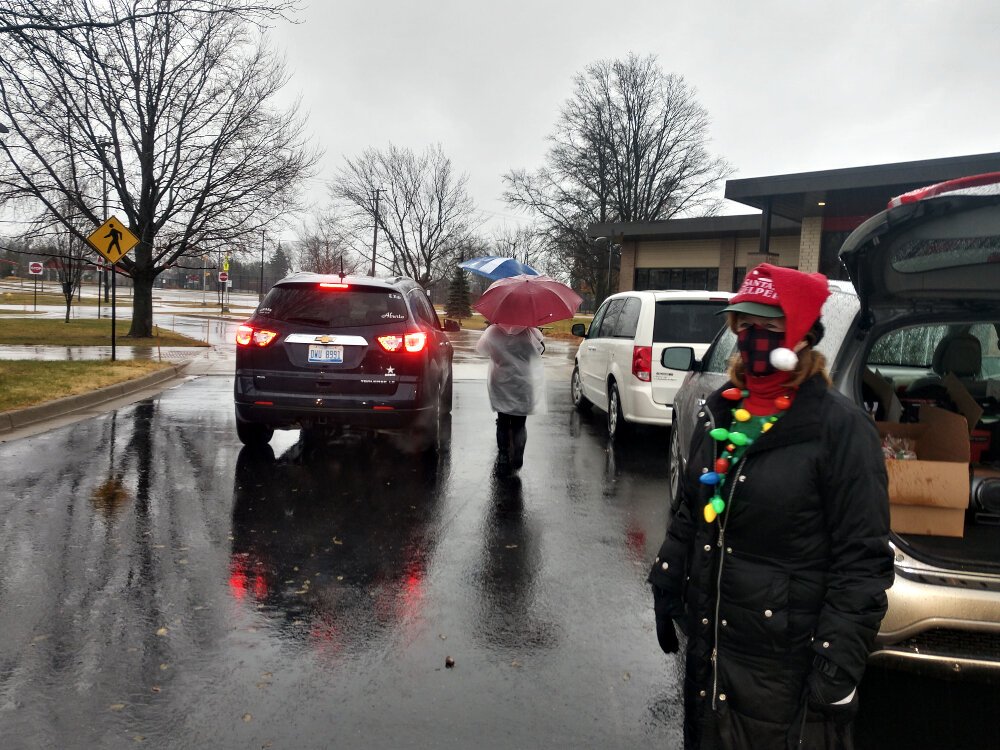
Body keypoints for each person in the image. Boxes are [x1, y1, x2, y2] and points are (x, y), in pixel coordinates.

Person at [648, 264, 894, 749]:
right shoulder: (722, 408)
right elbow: (692, 509)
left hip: (784, 670)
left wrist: (837, 665)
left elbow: (862, 559)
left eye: (768, 329)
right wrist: (667, 574)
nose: (751, 338)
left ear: (799, 336)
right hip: (714, 648)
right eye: (744, 326)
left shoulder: (838, 429)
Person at [475, 322, 546, 470]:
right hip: (523, 383)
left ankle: (503, 456)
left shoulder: (493, 331)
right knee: (519, 423)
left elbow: (481, 349)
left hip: (501, 382)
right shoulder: (529, 331)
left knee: (502, 421)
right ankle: (518, 454)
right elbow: (539, 351)